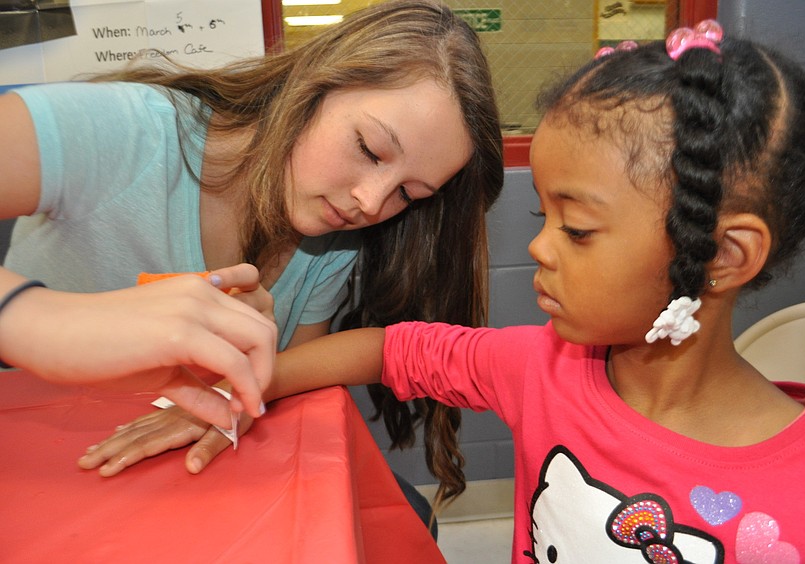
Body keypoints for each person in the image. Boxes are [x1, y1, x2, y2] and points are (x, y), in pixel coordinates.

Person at [83, 19, 805, 561]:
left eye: (576, 229)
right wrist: (245, 387)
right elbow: (394, 349)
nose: (538, 247)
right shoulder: (542, 369)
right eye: (541, 214)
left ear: (721, 254)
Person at [2, 0, 502, 504]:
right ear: (314, 84)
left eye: (408, 195)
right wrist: (44, 321)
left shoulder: (333, 239)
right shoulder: (121, 130)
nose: (370, 203)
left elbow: (289, 379)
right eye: (369, 149)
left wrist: (234, 390)